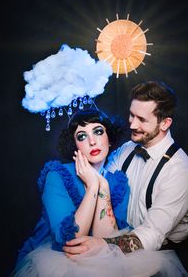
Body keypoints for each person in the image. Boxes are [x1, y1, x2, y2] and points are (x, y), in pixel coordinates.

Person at [63, 81, 188, 275]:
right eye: (131, 115)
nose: (132, 124)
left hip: (158, 254)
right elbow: (102, 186)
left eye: (142, 119)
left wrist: (103, 245)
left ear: (165, 123)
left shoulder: (181, 171)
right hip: (115, 240)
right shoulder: (127, 149)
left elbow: (151, 235)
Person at [12, 108, 131, 276]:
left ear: (109, 139)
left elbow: (106, 243)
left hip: (97, 263)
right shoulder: (57, 176)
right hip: (54, 260)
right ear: (75, 145)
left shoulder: (118, 183)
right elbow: (70, 240)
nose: (92, 141)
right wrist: (92, 186)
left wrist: (102, 184)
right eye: (82, 136)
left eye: (98, 132)